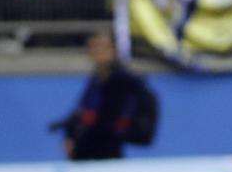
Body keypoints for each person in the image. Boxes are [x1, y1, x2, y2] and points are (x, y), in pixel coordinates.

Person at [48, 31, 159, 161]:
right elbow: (85, 113)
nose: (98, 51)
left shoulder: (124, 82)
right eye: (94, 46)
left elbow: (107, 122)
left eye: (103, 46)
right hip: (86, 153)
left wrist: (80, 140)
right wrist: (71, 135)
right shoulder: (95, 81)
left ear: (114, 50)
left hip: (107, 154)